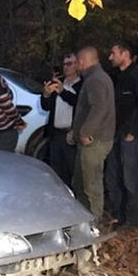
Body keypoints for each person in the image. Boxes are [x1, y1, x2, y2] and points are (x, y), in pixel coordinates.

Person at [105, 40, 138, 230]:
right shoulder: (118, 77)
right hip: (116, 134)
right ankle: (119, 214)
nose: (110, 57)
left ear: (125, 54)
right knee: (113, 176)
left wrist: (134, 133)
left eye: (113, 53)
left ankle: (133, 219)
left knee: (131, 178)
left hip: (132, 137)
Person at [68, 46, 115, 222]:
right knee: (81, 183)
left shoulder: (96, 80)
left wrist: (86, 132)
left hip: (95, 142)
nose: (75, 66)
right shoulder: (95, 78)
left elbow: (99, 108)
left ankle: (94, 223)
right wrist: (76, 131)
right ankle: (82, 219)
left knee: (91, 185)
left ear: (82, 61)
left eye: (76, 62)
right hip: (90, 140)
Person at [41, 53, 82, 187]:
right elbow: (46, 107)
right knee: (56, 173)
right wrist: (46, 95)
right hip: (56, 134)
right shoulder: (58, 83)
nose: (66, 67)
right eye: (64, 64)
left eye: (69, 64)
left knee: (73, 172)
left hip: (71, 135)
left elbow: (79, 103)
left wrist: (63, 92)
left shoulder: (82, 85)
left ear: (77, 65)